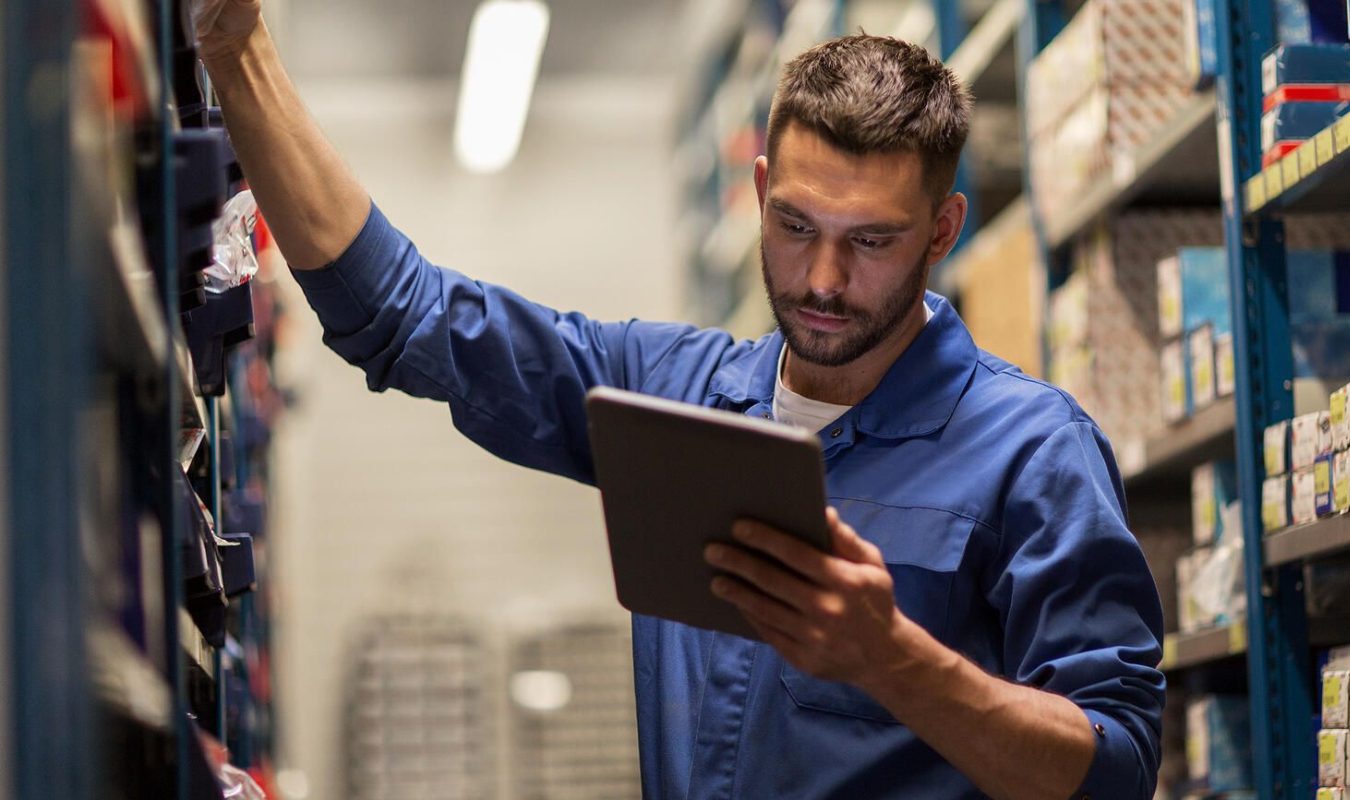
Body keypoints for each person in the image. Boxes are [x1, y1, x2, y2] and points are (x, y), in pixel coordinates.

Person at [194, 0, 1165, 796]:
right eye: (793, 224)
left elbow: (1116, 767)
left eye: (869, 240)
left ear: (942, 228)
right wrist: (236, 45)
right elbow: (406, 316)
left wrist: (894, 658)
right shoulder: (672, 396)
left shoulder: (1032, 450)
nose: (821, 278)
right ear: (758, 186)